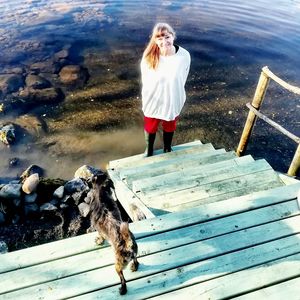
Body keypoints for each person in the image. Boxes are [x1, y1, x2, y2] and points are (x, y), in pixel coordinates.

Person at [140, 22, 191, 157]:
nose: (164, 41)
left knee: (170, 125)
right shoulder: (148, 57)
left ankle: (167, 147)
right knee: (150, 126)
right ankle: (149, 149)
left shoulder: (184, 55)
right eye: (160, 38)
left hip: (173, 98)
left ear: (173, 36)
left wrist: (175, 92)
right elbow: (146, 81)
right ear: (155, 40)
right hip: (153, 99)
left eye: (167, 37)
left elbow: (183, 77)